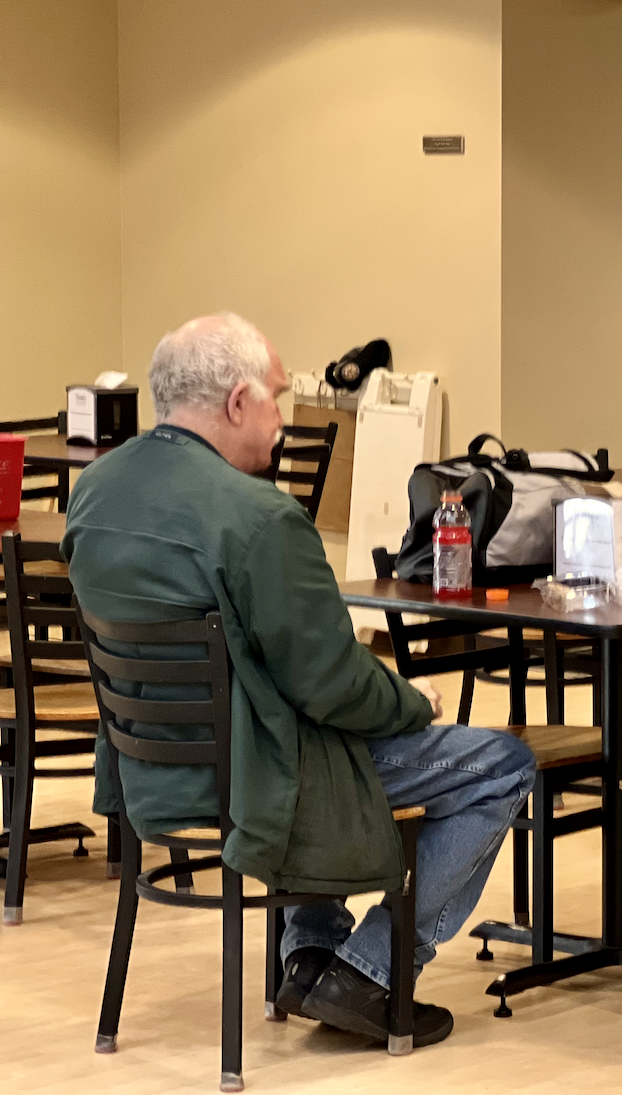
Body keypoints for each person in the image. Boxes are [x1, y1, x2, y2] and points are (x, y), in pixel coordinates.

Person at [63, 313, 537, 1048]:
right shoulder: (261, 517)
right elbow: (331, 685)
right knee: (501, 763)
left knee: (314, 727)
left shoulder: (94, 493)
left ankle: (310, 953)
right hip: (253, 782)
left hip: (149, 770)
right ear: (237, 403)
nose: (284, 422)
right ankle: (372, 971)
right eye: (278, 400)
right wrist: (413, 701)